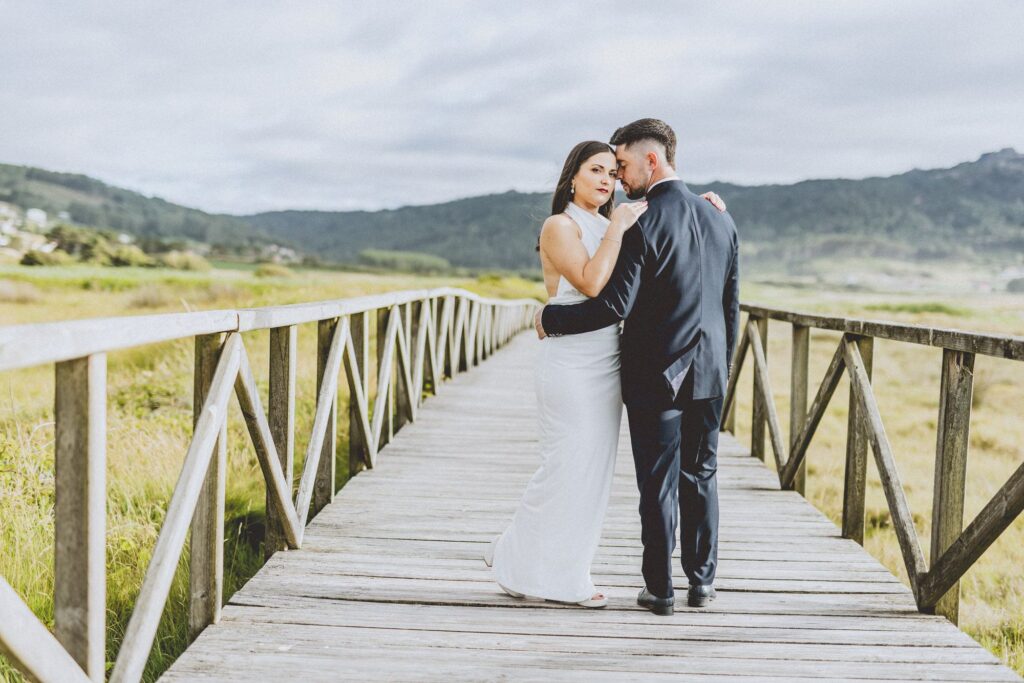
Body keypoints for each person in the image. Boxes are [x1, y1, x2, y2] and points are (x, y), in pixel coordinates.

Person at [485, 138, 726, 609]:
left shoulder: (615, 221)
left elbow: (669, 228)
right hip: (570, 363)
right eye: (596, 169)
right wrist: (618, 225)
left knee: (592, 474)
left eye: (613, 173)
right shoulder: (561, 225)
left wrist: (704, 206)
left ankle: (514, 553)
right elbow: (594, 285)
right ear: (572, 174)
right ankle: (562, 575)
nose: (606, 180)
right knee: (565, 465)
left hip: (607, 363)